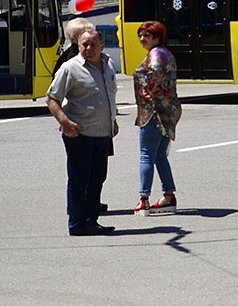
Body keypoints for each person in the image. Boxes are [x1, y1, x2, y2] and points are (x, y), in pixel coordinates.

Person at [45, 28, 119, 236]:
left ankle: (91, 220)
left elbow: (108, 95)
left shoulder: (108, 64)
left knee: (97, 179)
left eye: (93, 44)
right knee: (80, 180)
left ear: (102, 46)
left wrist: (111, 120)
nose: (89, 48)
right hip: (79, 135)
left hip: (102, 134)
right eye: (84, 44)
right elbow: (51, 98)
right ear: (78, 46)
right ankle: (77, 223)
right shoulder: (70, 68)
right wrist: (64, 121)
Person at [132, 20, 182, 212]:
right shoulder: (165, 53)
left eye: (147, 35)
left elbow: (153, 73)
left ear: (158, 37)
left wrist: (148, 91)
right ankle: (169, 195)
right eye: (141, 35)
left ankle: (143, 199)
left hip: (154, 111)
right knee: (160, 155)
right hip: (168, 109)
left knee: (146, 155)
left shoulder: (156, 54)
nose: (142, 39)